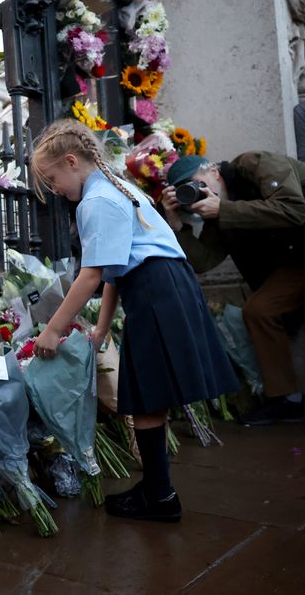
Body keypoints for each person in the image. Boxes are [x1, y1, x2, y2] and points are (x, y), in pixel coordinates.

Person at [29, 119, 238, 523]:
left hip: (156, 288)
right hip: (162, 285)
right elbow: (113, 273)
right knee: (147, 392)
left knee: (147, 392)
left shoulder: (96, 201)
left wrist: (53, 329)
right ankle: (157, 491)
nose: (54, 189)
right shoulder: (116, 190)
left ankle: (159, 495)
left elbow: (92, 274)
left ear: (72, 162)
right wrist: (102, 329)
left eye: (53, 178)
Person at [161, 151, 305, 425]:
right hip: (298, 261)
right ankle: (289, 400)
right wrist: (176, 226)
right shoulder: (214, 211)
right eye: (187, 191)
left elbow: (296, 210)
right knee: (259, 311)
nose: (198, 192)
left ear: (214, 172)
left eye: (196, 183)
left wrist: (223, 210)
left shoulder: (256, 164)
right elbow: (204, 261)